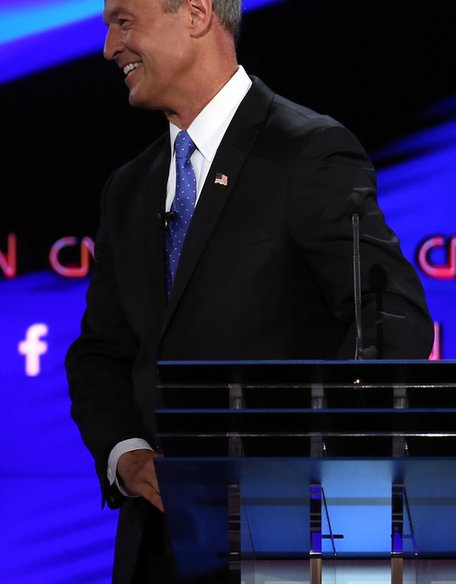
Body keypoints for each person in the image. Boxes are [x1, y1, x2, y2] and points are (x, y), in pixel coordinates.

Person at [64, 0, 433, 582]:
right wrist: (126, 455)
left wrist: (304, 470)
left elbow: (389, 320)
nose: (111, 47)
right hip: (156, 550)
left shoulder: (306, 150)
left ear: (195, 13)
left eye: (124, 21)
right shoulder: (129, 189)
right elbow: (101, 354)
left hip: (285, 542)